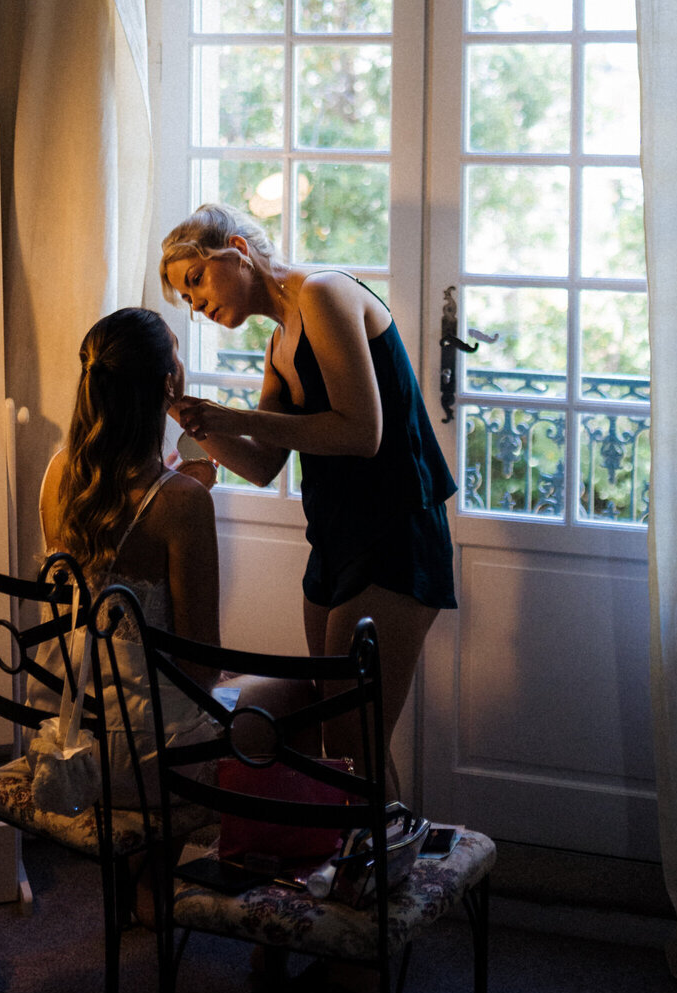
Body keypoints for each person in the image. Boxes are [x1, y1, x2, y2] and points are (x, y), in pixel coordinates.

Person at [160, 202, 457, 794]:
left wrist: (234, 414)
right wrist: (191, 416)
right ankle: (383, 868)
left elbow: (360, 433)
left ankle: (389, 879)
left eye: (194, 280)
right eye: (186, 300)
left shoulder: (323, 293)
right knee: (346, 744)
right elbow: (265, 465)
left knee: (353, 743)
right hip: (334, 542)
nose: (195, 303)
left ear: (237, 251)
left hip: (395, 533)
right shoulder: (278, 344)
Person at [37, 307, 221, 813]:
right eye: (177, 355)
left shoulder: (58, 475)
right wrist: (186, 493)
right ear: (168, 384)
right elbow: (201, 669)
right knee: (292, 700)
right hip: (142, 753)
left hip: (67, 731)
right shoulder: (181, 503)